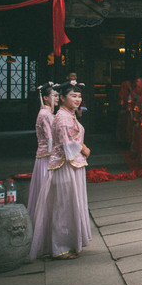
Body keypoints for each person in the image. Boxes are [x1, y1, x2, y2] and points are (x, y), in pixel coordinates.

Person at [30, 80, 92, 260]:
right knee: (63, 206)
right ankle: (60, 247)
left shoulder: (68, 114)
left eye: (79, 96)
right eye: (73, 96)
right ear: (63, 98)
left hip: (72, 163)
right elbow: (66, 143)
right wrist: (83, 148)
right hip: (65, 164)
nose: (78, 99)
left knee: (70, 204)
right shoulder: (63, 117)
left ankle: (69, 242)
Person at [27, 82, 58, 223]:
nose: (57, 98)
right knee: (47, 192)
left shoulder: (46, 113)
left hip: (44, 156)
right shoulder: (46, 115)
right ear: (45, 98)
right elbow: (50, 139)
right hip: (47, 157)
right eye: (54, 95)